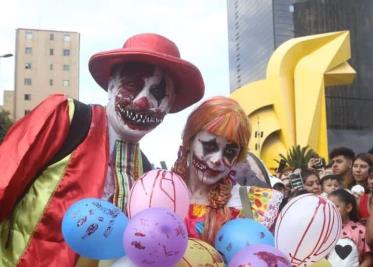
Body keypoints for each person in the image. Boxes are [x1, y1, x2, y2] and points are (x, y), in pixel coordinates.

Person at [0, 33, 205, 267]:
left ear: (169, 105)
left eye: (157, 93)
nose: (142, 101)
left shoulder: (147, 178)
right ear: (110, 86)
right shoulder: (65, 119)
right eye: (131, 85)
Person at [172, 96, 283, 244]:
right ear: (189, 142)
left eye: (229, 152)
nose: (217, 159)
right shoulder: (159, 192)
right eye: (210, 146)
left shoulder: (252, 205)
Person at [328, 189, 373, 266]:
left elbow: (369, 258)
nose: (330, 210)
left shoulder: (360, 230)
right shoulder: (326, 231)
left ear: (348, 207)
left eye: (336, 206)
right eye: (328, 207)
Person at [352, 153, 373, 223]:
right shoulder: (347, 189)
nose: (358, 170)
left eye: (363, 167)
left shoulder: (370, 194)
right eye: (355, 166)